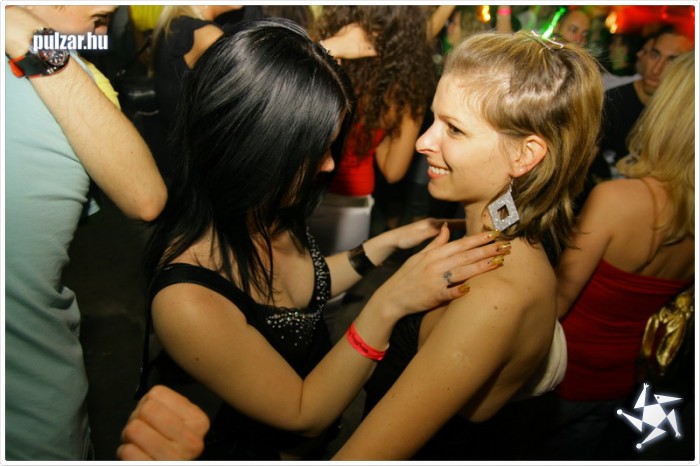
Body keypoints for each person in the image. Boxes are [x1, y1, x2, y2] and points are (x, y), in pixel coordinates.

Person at [120, 28, 604, 460]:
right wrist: (390, 290)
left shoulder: (493, 293)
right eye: (434, 119)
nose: (423, 142)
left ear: (525, 155)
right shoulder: (497, 243)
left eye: (454, 129)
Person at [4, 5, 167, 460]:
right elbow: (146, 197)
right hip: (32, 412)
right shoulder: (70, 73)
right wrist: (46, 48)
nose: (101, 29)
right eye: (97, 18)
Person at [546, 50, 695, 461]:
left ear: (670, 114)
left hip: (564, 374)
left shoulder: (618, 199)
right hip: (624, 381)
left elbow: (555, 303)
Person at [308, 6, 437, 254]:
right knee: (334, 276)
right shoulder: (403, 88)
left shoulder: (319, 51)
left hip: (297, 189)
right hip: (350, 203)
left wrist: (327, 46)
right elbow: (393, 171)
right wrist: (393, 118)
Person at [583, 24, 693, 201]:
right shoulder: (613, 101)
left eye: (671, 60)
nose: (656, 69)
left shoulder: (685, 120)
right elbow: (582, 164)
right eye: (655, 55)